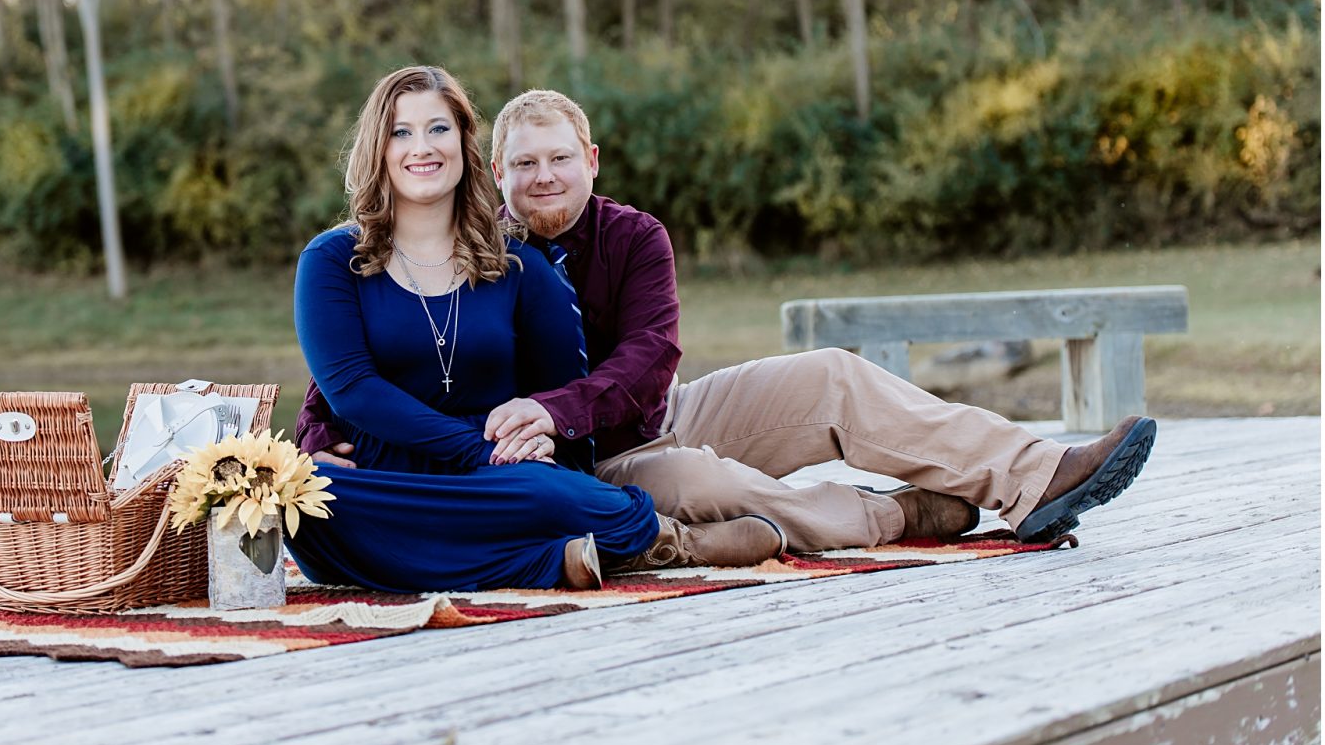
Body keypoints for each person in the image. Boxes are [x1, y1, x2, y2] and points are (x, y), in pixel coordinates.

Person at [300, 87, 1156, 555]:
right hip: (564, 464)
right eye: (525, 164)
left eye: (562, 157)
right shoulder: (471, 245)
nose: (545, 175)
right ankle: (893, 518)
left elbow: (650, 356)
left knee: (832, 376)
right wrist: (316, 426)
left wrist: (560, 408)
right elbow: (373, 351)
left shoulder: (634, 237)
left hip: (646, 418)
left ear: (590, 160)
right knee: (709, 486)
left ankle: (1036, 474)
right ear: (494, 171)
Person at [286, 67, 785, 594]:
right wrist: (473, 450)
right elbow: (351, 390)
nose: (421, 147)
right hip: (385, 469)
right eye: (400, 131)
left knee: (545, 492)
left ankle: (640, 543)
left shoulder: (519, 267)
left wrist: (525, 460)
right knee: (314, 496)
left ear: (464, 141)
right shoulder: (333, 260)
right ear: (377, 148)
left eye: (438, 128)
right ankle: (573, 554)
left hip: (504, 472)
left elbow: (561, 405)